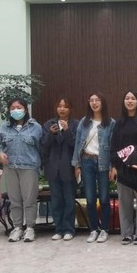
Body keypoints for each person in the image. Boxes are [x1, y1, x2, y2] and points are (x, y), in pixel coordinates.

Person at [111, 90, 137, 245]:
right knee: (125, 203)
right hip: (123, 168)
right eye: (127, 98)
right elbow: (114, 146)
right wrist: (115, 166)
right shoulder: (119, 123)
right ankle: (127, 234)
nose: (130, 101)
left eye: (133, 98)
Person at [71, 93, 115, 243]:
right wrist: (77, 165)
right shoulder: (84, 122)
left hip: (103, 162)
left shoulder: (110, 123)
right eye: (91, 100)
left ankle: (105, 230)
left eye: (97, 100)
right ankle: (93, 229)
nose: (94, 103)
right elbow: (78, 144)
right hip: (86, 161)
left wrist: (112, 167)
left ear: (103, 103)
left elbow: (113, 147)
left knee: (104, 198)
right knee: (90, 198)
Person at [0, 98, 43, 243]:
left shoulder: (35, 127)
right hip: (10, 167)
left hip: (29, 167)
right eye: (12, 108)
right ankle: (17, 228)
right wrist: (0, 153)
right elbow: (0, 145)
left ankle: (30, 228)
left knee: (29, 200)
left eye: (18, 107)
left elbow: (41, 148)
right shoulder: (4, 127)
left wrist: (40, 167)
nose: (15, 110)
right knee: (15, 200)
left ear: (25, 109)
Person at [42, 98, 79, 241]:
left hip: (68, 168)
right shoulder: (48, 124)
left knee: (69, 200)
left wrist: (67, 130)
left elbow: (76, 144)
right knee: (56, 201)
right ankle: (58, 229)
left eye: (65, 106)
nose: (62, 109)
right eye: (59, 106)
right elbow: (44, 145)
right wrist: (51, 133)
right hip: (53, 168)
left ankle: (69, 229)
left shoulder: (75, 124)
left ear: (70, 109)